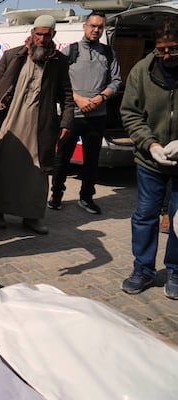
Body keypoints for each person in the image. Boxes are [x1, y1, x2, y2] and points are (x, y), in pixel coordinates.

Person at [0, 15, 73, 235]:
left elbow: (67, 95)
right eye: (38, 33)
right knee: (4, 166)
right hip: (10, 122)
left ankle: (32, 216)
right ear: (32, 33)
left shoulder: (58, 61)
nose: (41, 38)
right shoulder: (13, 55)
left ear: (53, 36)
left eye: (46, 34)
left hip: (40, 125)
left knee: (36, 173)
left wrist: (66, 122)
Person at [120, 19, 178, 300]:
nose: (166, 56)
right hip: (150, 162)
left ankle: (176, 270)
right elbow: (130, 112)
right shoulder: (142, 70)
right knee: (145, 216)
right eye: (161, 50)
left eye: (173, 50)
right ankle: (143, 269)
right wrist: (150, 143)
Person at [49, 11, 122, 215]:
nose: (96, 30)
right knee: (62, 158)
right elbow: (57, 82)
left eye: (100, 27)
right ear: (84, 26)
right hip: (72, 116)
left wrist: (100, 98)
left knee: (91, 160)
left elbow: (116, 81)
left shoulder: (108, 53)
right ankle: (56, 196)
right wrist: (77, 99)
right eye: (92, 26)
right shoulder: (70, 51)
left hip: (97, 117)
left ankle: (87, 198)